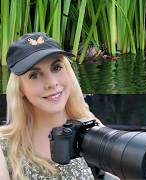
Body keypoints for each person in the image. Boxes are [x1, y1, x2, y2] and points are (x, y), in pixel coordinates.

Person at [0, 32, 118, 180]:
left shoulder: (93, 130)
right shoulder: (4, 146)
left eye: (56, 68)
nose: (52, 83)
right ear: (20, 89)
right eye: (34, 75)